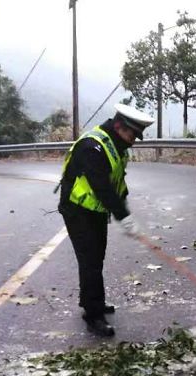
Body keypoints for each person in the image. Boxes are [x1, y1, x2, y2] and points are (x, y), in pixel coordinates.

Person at [58, 103, 155, 337]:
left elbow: (117, 183)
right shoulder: (93, 147)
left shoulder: (115, 145)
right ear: (119, 126)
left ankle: (93, 302)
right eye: (131, 134)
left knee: (96, 257)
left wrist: (124, 211)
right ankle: (93, 316)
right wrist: (124, 217)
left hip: (95, 210)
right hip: (77, 210)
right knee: (90, 261)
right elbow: (102, 188)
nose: (132, 141)